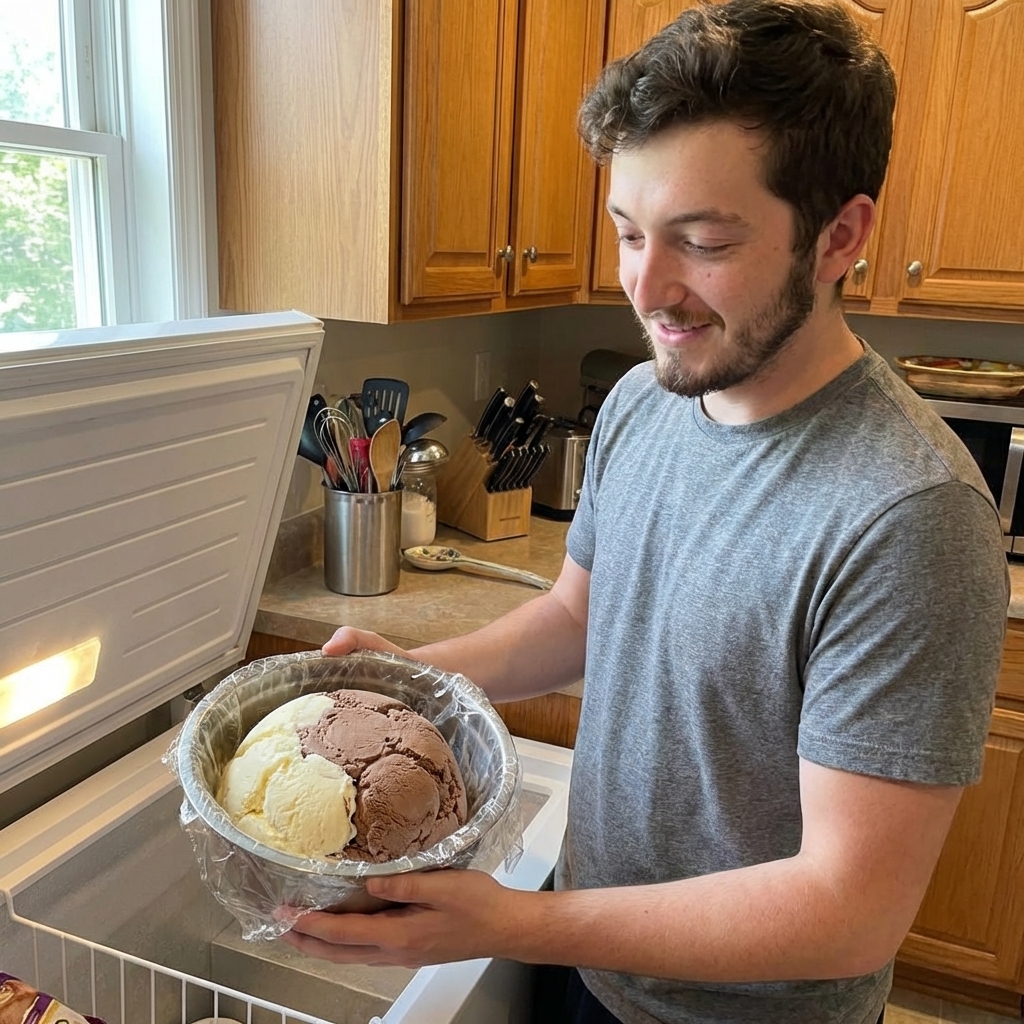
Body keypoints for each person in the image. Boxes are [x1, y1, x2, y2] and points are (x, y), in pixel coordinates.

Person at [279, 2, 1009, 1022]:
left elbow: (848, 908)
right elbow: (581, 618)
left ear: (840, 235)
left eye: (702, 241)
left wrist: (510, 923)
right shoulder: (641, 399)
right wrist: (407, 685)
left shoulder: (908, 514)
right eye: (627, 232)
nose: (647, 287)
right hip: (589, 959)